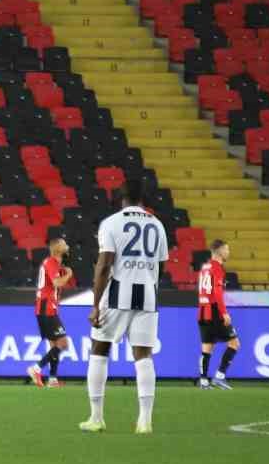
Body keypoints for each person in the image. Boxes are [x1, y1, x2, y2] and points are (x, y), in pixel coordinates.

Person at [82, 179, 168, 435]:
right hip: (148, 296)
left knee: (99, 349)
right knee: (144, 356)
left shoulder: (111, 223)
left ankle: (96, 418)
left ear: (121, 198)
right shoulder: (157, 224)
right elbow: (161, 266)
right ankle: (145, 421)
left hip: (117, 295)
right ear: (143, 199)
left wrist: (95, 304)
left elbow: (104, 265)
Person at [30, 237, 73, 388]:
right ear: (57, 248)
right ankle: (36, 369)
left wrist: (64, 273)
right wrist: (68, 275)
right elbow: (57, 282)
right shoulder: (51, 262)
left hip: (47, 307)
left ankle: (53, 379)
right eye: (64, 243)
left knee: (54, 344)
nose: (67, 246)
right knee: (63, 343)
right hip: (46, 307)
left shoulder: (55, 264)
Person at [197, 239, 239, 390]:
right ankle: (220, 376)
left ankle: (203, 381)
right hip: (214, 311)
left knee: (207, 347)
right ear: (220, 251)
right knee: (234, 343)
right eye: (226, 249)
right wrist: (224, 313)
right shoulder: (217, 268)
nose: (228, 252)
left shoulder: (205, 267)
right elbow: (217, 292)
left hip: (203, 311)